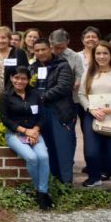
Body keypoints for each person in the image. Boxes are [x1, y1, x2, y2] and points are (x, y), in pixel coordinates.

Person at [0, 66, 51, 209]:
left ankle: (42, 192)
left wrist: (34, 130)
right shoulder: (5, 95)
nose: (19, 81)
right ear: (11, 78)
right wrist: (25, 131)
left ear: (28, 80)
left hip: (34, 133)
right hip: (15, 134)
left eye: (23, 78)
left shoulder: (35, 94)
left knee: (44, 157)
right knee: (32, 158)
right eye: (16, 77)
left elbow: (42, 116)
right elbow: (4, 119)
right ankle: (40, 191)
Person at [76, 42, 111, 193]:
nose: (101, 57)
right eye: (98, 54)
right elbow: (81, 95)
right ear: (93, 56)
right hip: (93, 116)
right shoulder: (88, 73)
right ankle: (94, 177)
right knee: (91, 152)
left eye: (105, 53)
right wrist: (90, 108)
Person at [31, 38, 76, 185]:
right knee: (47, 147)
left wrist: (42, 97)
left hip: (59, 111)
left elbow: (63, 86)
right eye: (37, 50)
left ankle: (66, 183)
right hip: (40, 113)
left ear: (50, 48)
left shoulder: (62, 65)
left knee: (63, 148)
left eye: (43, 49)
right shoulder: (32, 67)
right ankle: (52, 182)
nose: (40, 53)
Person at [0, 26, 29, 90]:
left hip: (14, 93)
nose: (0, 41)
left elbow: (25, 73)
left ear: (9, 39)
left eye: (3, 38)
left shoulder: (18, 53)